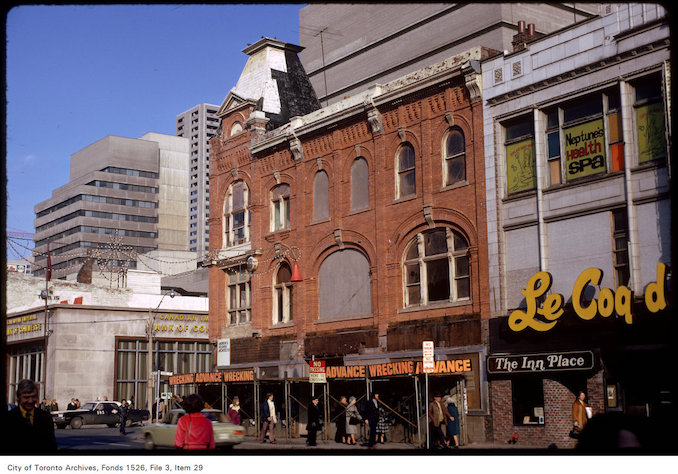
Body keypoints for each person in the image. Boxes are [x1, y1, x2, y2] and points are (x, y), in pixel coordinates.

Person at [7, 379, 58, 453]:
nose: (30, 401)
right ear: (18, 397)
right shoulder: (8, 419)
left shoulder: (46, 417)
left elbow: (51, 447)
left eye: (33, 396)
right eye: (26, 397)